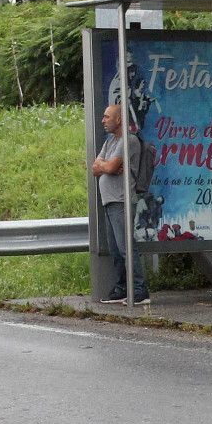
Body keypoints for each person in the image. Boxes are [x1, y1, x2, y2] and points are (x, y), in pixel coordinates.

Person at [92, 104, 150, 305]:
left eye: (107, 117)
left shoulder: (129, 140)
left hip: (122, 200)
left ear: (119, 120)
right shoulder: (110, 142)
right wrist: (105, 167)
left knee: (126, 246)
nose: (103, 120)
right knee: (116, 248)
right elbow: (95, 168)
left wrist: (107, 167)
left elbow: (109, 165)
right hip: (110, 201)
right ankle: (123, 287)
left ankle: (140, 289)